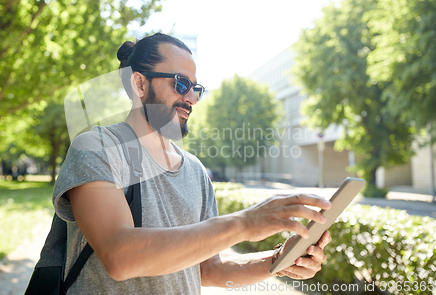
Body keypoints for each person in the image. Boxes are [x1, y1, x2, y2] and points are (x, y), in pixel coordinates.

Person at [53, 33, 332, 294]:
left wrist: (279, 259)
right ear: (139, 83)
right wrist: (244, 223)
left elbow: (209, 269)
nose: (191, 99)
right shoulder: (96, 148)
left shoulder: (195, 170)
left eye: (195, 88)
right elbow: (120, 257)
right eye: (180, 84)